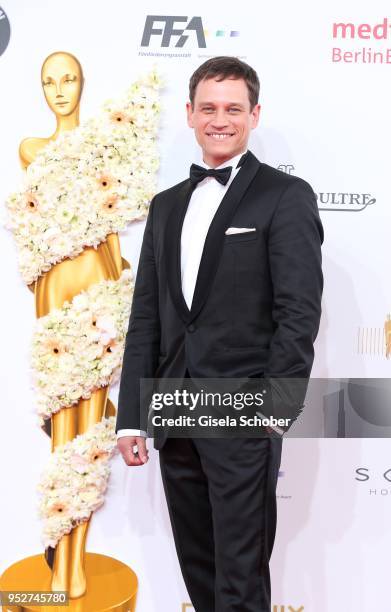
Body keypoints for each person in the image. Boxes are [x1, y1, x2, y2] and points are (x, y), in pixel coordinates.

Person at [116, 56, 324, 612]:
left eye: (233, 108)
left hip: (242, 411)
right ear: (189, 114)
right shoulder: (165, 207)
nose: (220, 119)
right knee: (199, 570)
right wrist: (134, 415)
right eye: (208, 107)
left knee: (240, 575)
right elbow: (147, 319)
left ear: (255, 114)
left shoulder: (286, 196)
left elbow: (298, 312)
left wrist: (276, 406)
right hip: (175, 409)